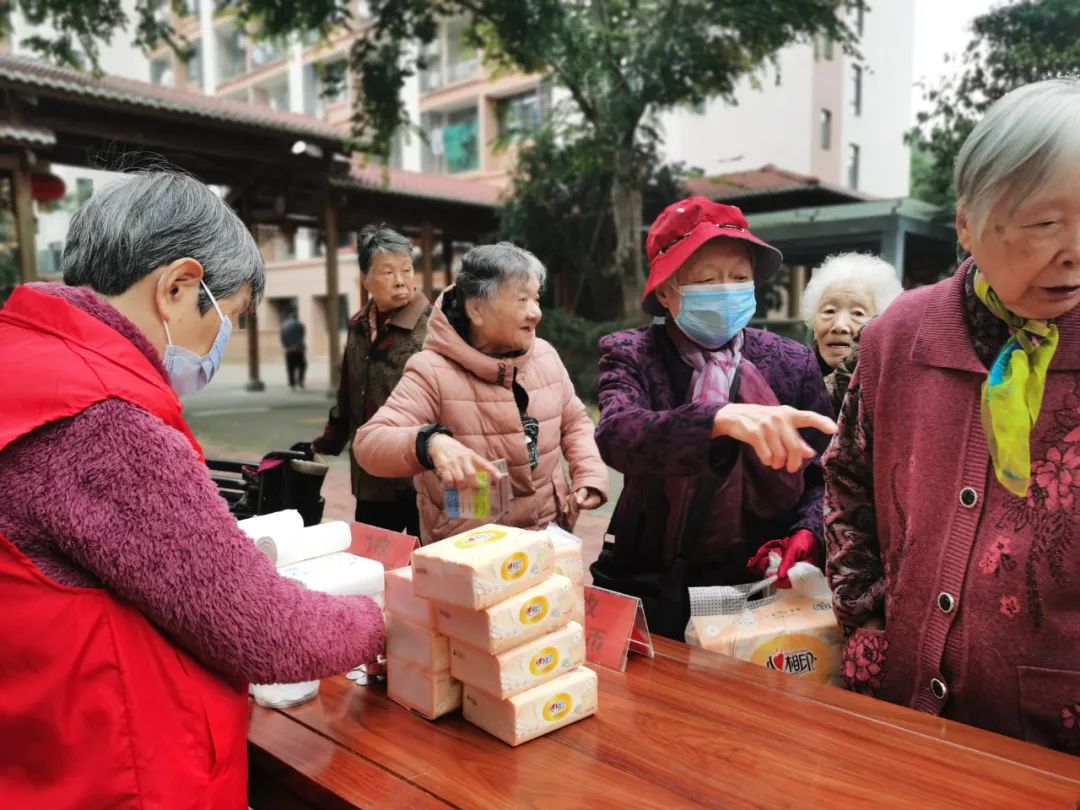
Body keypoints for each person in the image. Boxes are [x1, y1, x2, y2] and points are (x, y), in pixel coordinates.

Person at [0, 172, 385, 807]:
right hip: (113, 778)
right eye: (227, 319)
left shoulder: (26, 363)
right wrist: (380, 620)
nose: (219, 348)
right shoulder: (102, 419)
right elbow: (264, 630)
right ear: (178, 287)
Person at [824, 79, 1080, 753]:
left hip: (1052, 741)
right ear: (967, 222)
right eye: (1045, 224)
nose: (1074, 252)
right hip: (900, 706)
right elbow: (848, 480)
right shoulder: (898, 337)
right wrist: (867, 624)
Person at [590, 197, 837, 639]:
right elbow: (618, 434)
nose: (727, 290)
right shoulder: (633, 352)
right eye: (707, 279)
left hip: (756, 585)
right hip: (651, 579)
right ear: (666, 292)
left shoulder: (792, 362)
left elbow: (825, 474)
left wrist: (807, 531)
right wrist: (718, 418)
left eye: (740, 277)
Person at [354, 242, 608, 543]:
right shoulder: (432, 370)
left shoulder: (545, 356)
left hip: (549, 536)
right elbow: (369, 443)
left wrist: (589, 475)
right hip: (472, 552)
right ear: (476, 309)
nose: (535, 313)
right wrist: (429, 442)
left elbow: (575, 423)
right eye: (522, 299)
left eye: (536, 299)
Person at [312, 225, 430, 536]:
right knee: (374, 563)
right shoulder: (358, 326)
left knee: (424, 569)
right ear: (365, 279)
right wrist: (326, 443)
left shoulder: (434, 326)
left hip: (420, 477)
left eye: (406, 269)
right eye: (388, 272)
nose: (401, 280)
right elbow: (349, 395)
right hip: (371, 477)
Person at [801, 252, 902, 410]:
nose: (840, 326)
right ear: (814, 322)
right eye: (829, 311)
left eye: (857, 313)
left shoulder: (895, 389)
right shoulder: (790, 379)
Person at [280, 309, 307, 390]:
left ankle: (292, 384)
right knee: (302, 366)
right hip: (298, 349)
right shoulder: (300, 325)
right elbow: (301, 336)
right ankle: (300, 381)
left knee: (290, 367)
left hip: (289, 350)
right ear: (297, 317)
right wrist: (296, 346)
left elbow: (282, 338)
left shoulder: (284, 325)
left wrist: (287, 346)